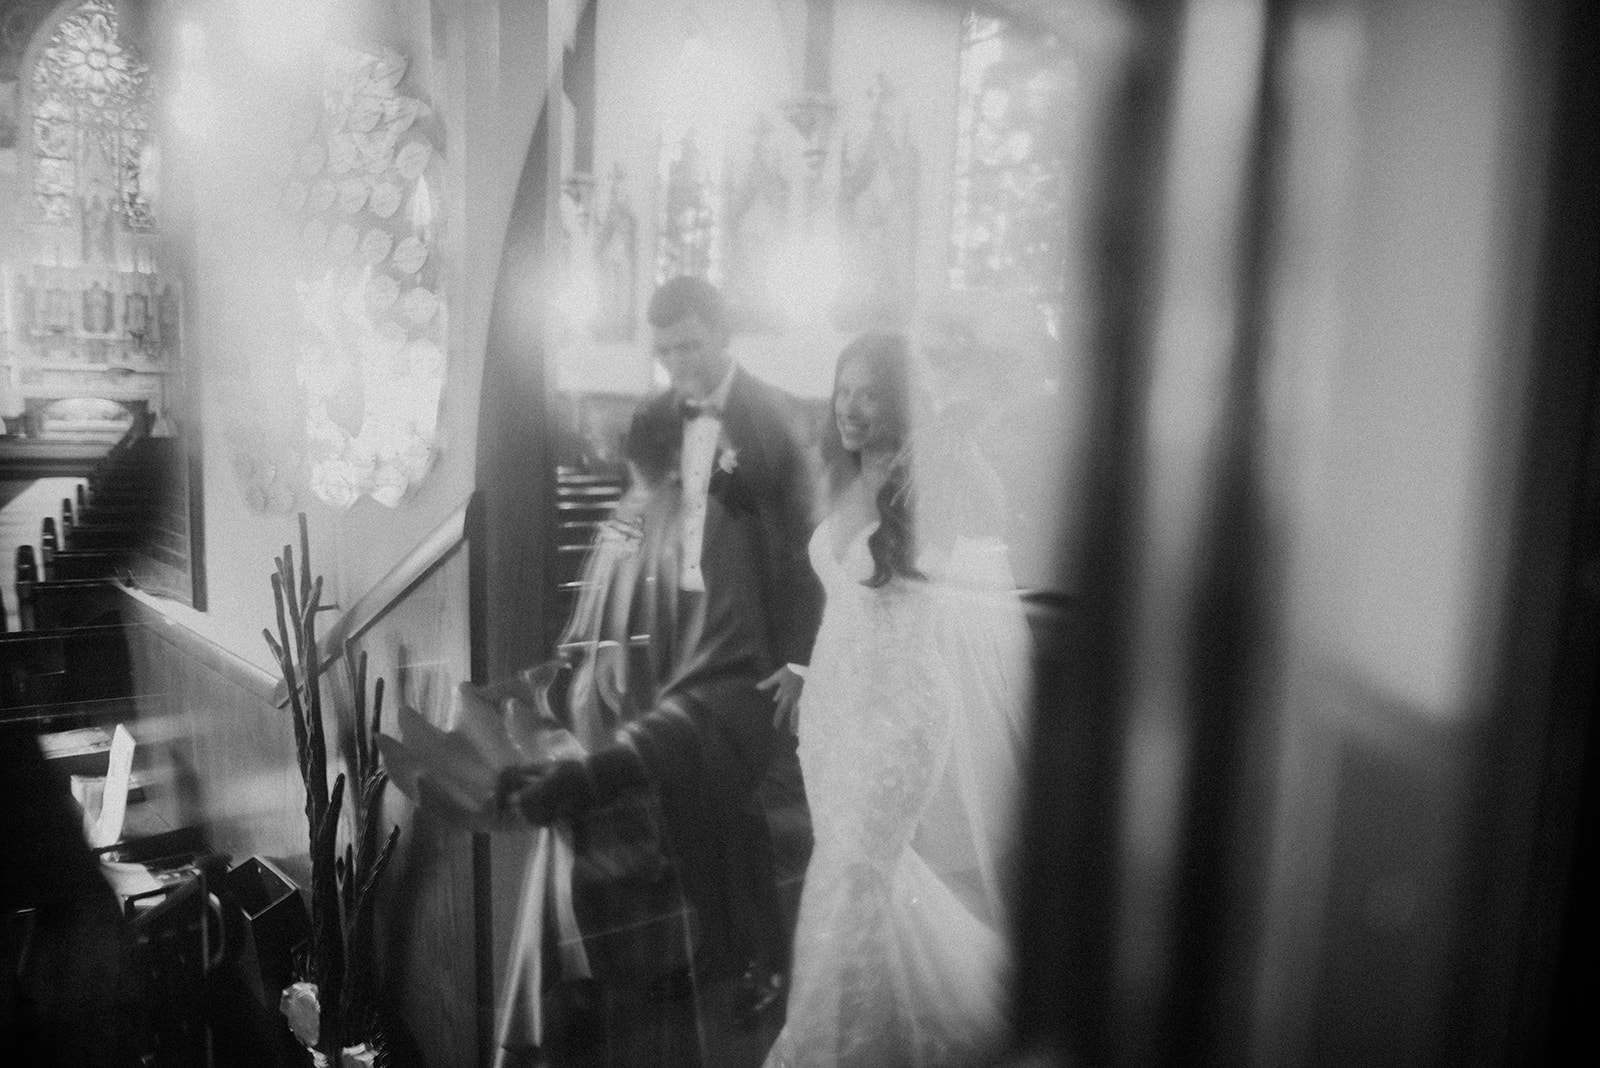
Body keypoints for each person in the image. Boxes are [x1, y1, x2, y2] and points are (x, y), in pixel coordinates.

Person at [500, 275, 825, 1029]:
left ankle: (769, 966)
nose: (678, 359)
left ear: (722, 334)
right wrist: (616, 637)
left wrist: (800, 659)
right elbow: (634, 525)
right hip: (670, 642)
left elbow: (809, 550)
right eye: (667, 348)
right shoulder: (651, 418)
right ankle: (715, 949)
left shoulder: (774, 419)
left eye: (691, 344)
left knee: (739, 813)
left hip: (753, 652)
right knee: (685, 808)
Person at [761, 332, 1032, 1068]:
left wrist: (954, 431)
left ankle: (824, 1048)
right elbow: (847, 605)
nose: (849, 407)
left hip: (900, 717)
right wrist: (804, 670)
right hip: (832, 718)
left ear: (903, 400)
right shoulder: (842, 476)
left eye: (870, 393)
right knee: (862, 883)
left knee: (847, 878)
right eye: (843, 390)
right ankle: (880, 1026)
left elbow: (992, 516)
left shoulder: (937, 478)